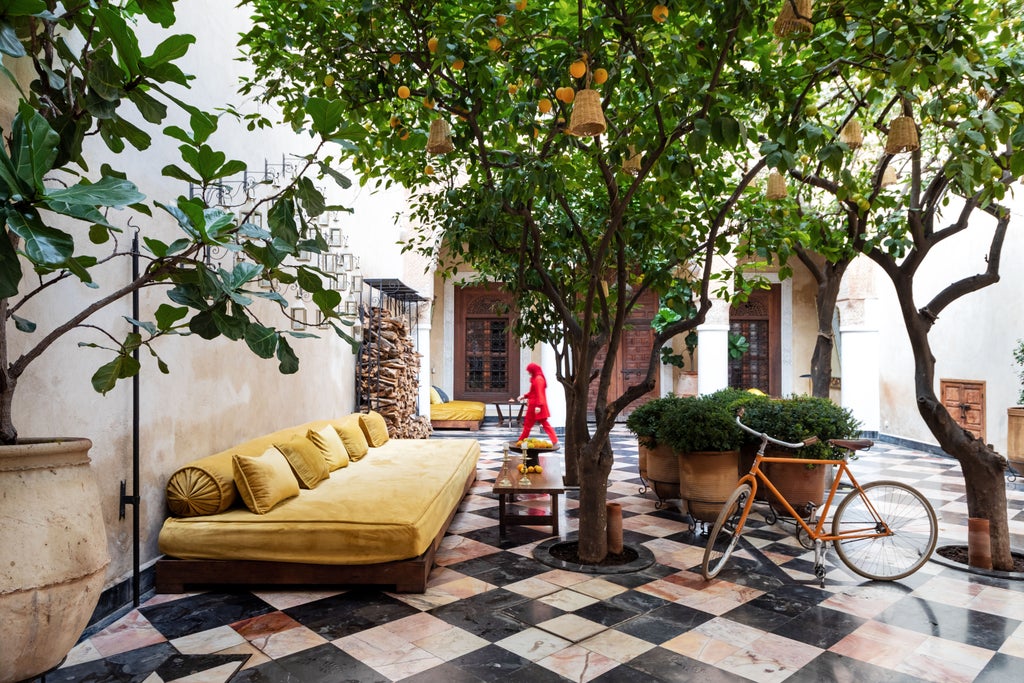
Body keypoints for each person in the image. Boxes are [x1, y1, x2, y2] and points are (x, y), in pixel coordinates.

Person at [516, 362, 558, 445]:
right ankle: (554, 439)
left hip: (536, 406)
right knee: (540, 424)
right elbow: (533, 393)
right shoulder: (536, 378)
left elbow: (540, 393)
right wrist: (524, 396)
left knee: (530, 424)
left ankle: (521, 440)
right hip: (535, 405)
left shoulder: (538, 379)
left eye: (529, 371)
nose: (528, 373)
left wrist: (539, 406)